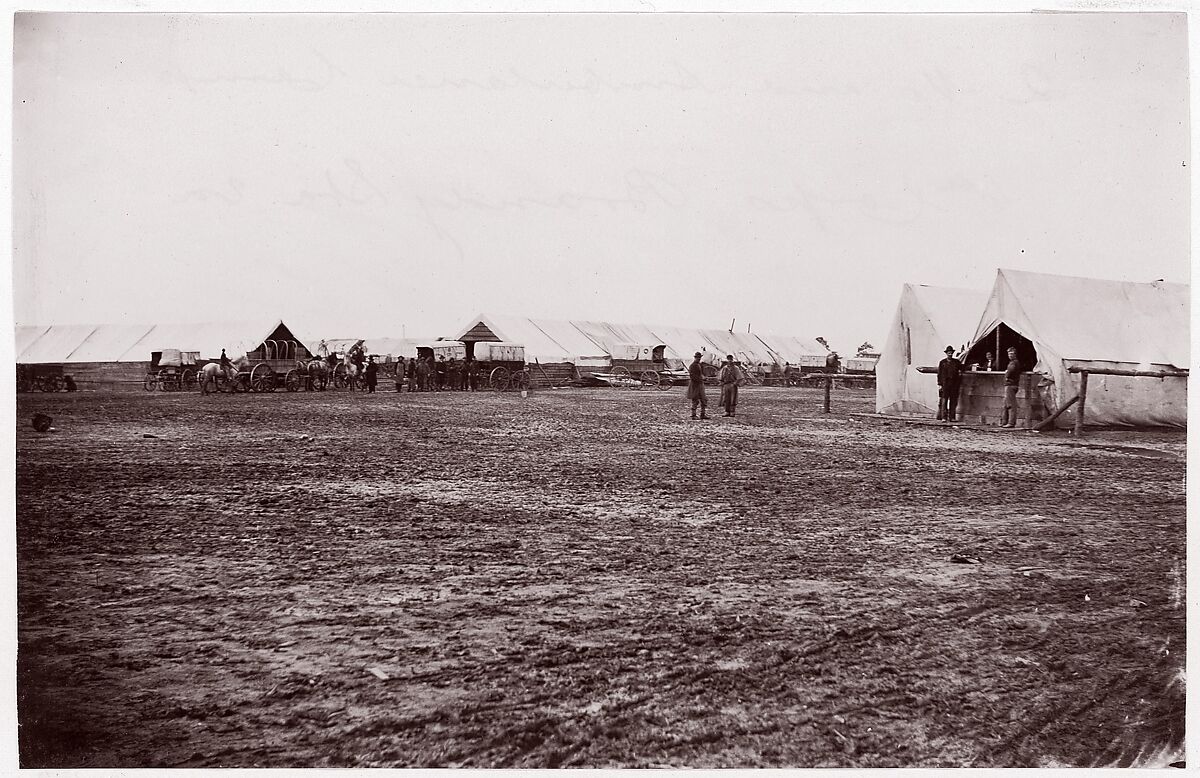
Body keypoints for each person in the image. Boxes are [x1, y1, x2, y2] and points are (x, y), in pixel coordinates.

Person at [936, 346, 963, 422]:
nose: (950, 354)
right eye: (949, 353)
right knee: (944, 401)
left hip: (954, 384)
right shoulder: (942, 362)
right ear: (946, 353)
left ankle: (952, 417)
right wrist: (940, 384)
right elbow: (939, 374)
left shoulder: (956, 362)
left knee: (953, 401)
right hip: (945, 384)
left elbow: (961, 369)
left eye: (951, 353)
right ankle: (944, 417)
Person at [1001, 346, 1022, 428]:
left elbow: (1011, 371)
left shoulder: (1014, 362)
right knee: (1006, 404)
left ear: (1015, 354)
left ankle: (1011, 422)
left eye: (1011, 353)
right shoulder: (1013, 362)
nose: (1010, 355)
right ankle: (1004, 421)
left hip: (1011, 384)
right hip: (1011, 384)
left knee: (1010, 404)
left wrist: (1006, 374)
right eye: (1009, 354)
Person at [687, 351, 709, 420]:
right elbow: (692, 376)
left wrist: (704, 378)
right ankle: (693, 415)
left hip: (700, 385)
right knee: (695, 400)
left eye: (699, 357)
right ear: (695, 358)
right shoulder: (692, 366)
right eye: (697, 357)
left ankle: (702, 414)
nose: (698, 359)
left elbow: (701, 374)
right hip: (695, 385)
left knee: (704, 399)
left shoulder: (699, 365)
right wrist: (701, 378)